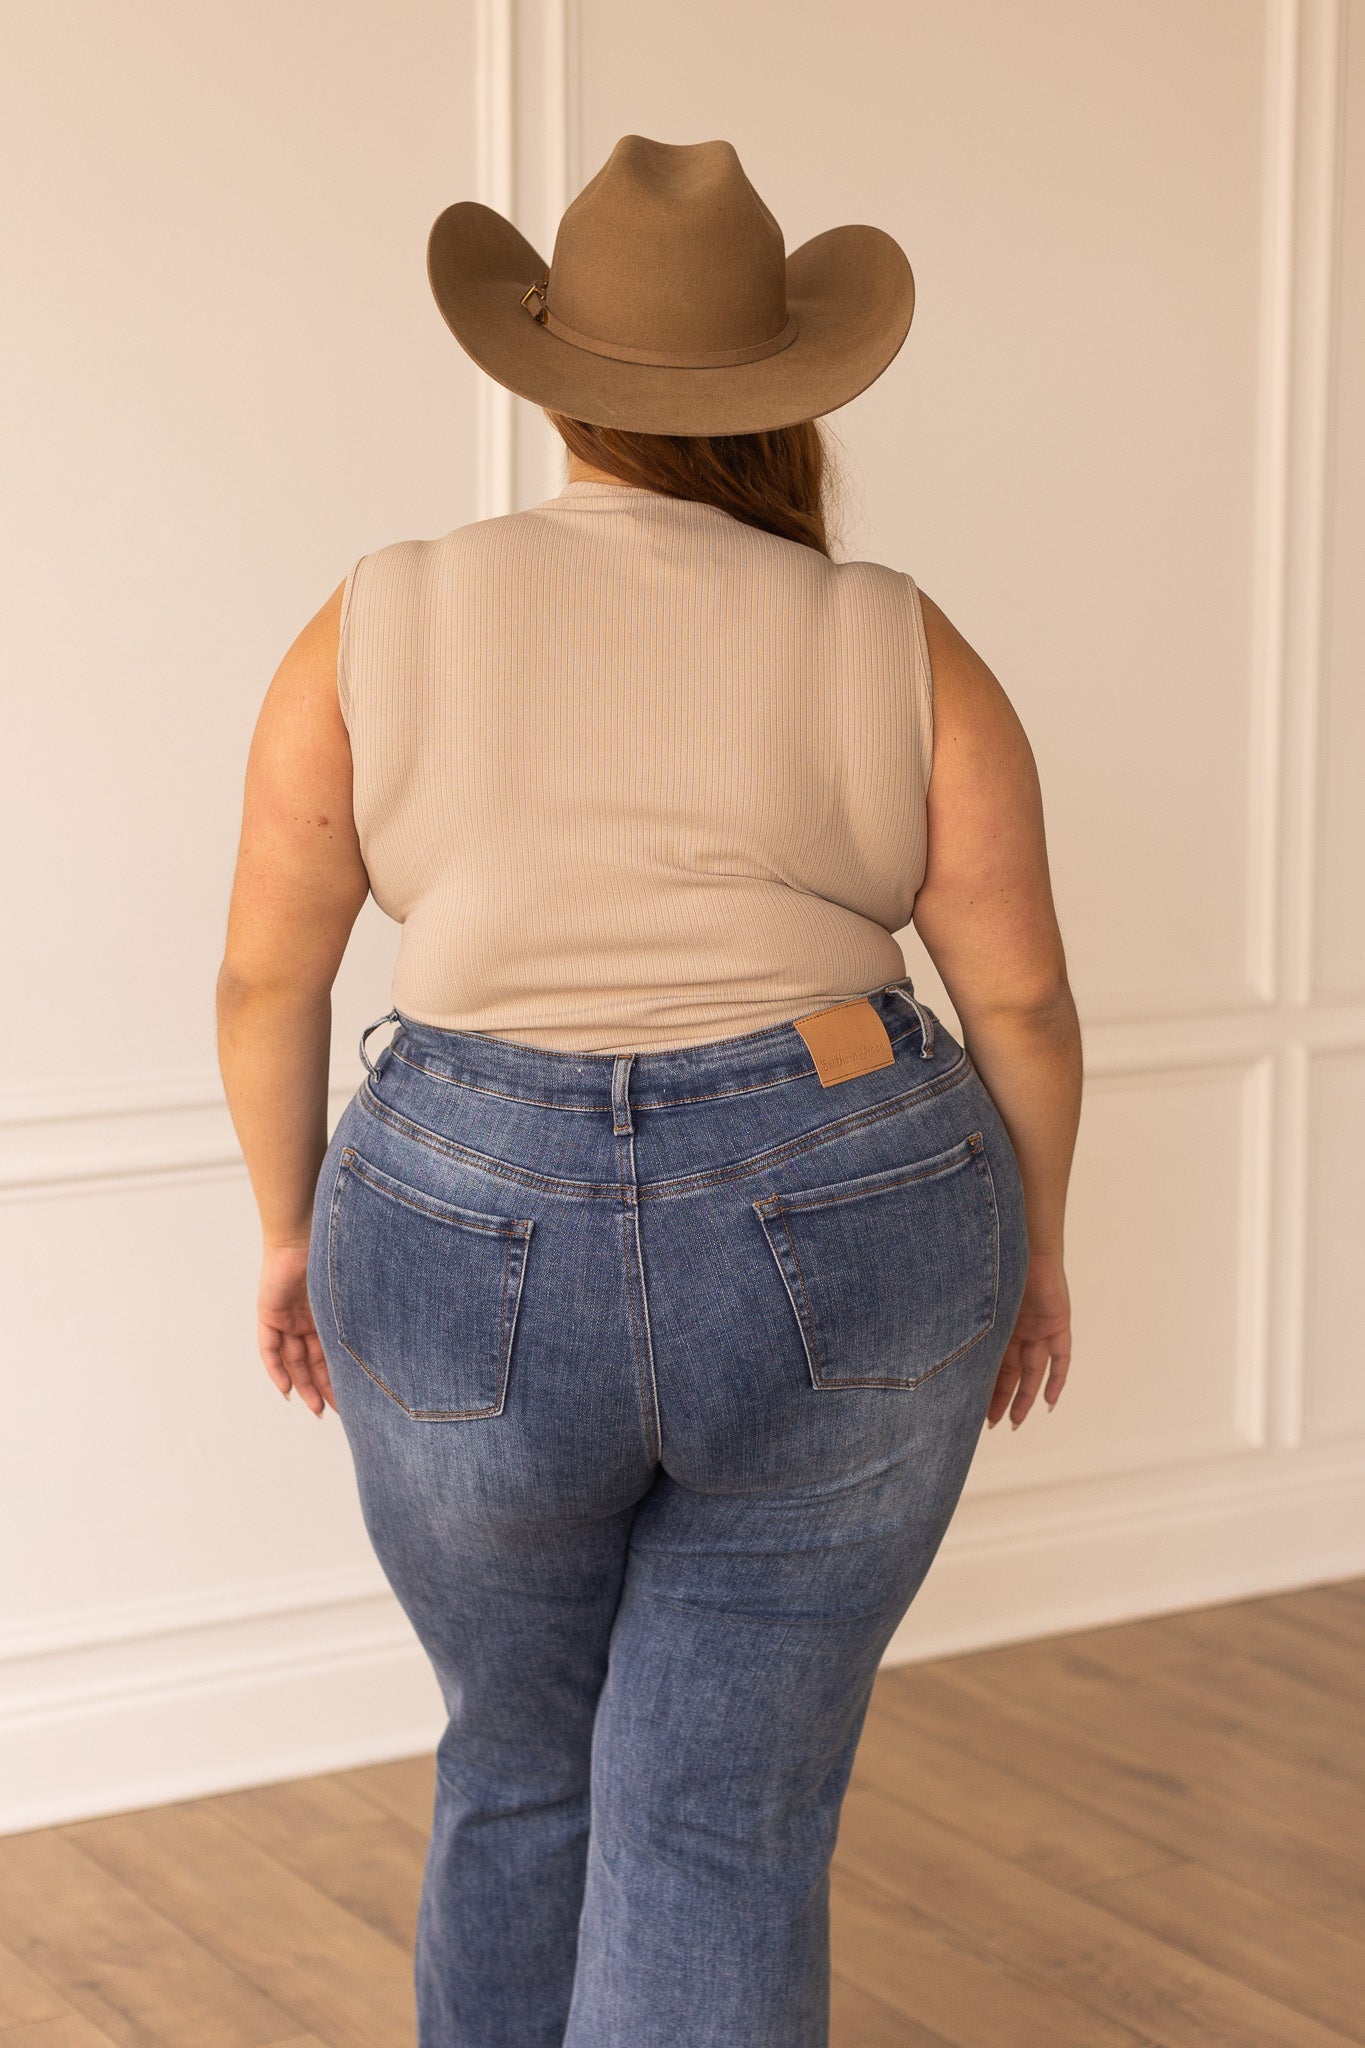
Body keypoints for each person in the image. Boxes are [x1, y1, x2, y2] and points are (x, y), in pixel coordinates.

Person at [216, 133, 1082, 2048]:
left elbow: (270, 975)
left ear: (551, 381)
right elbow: (1013, 999)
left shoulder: (373, 613)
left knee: (515, 1757)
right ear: (791, 391)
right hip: (857, 1204)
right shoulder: (894, 636)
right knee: (721, 1816)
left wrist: (292, 1232)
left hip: (456, 1210)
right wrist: (1029, 1250)